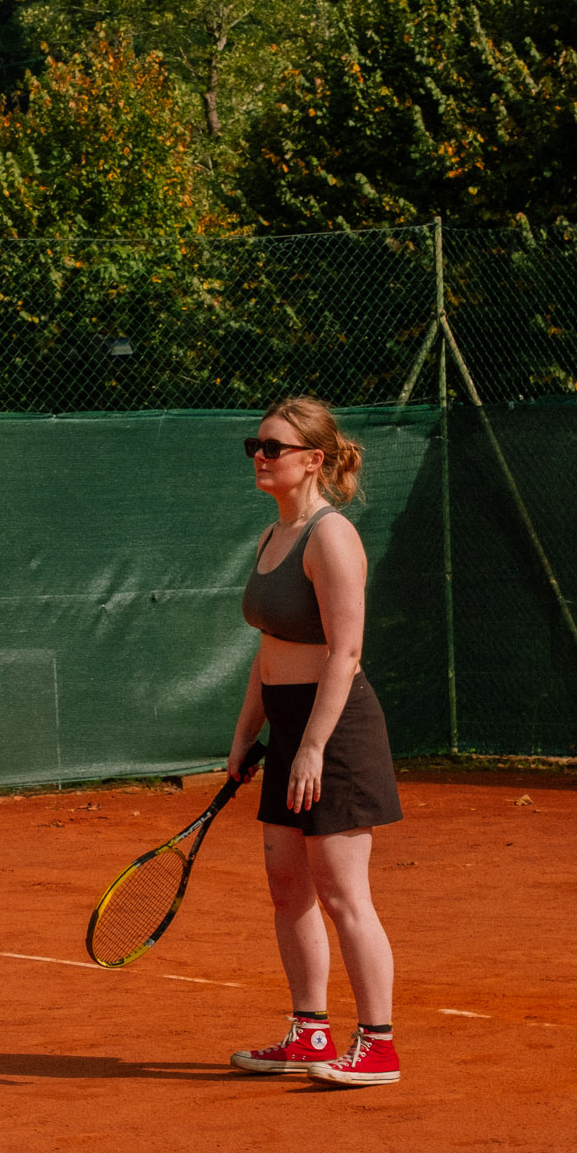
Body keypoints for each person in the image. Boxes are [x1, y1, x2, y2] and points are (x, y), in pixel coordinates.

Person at [227, 396, 402, 1085]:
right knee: (287, 887)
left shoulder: (331, 537)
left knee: (341, 892)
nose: (260, 457)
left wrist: (311, 747)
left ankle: (378, 1044)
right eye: (256, 446)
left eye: (273, 447)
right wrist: (246, 734)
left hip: (336, 729)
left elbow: (345, 652)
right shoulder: (272, 537)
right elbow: (268, 648)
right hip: (287, 723)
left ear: (312, 460)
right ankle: (310, 1032)